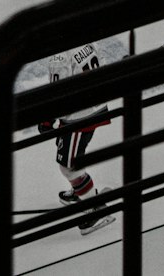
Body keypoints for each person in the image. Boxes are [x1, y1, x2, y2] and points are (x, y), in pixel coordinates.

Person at [40, 44, 114, 236]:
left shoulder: (60, 56)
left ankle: (94, 209)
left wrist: (47, 119)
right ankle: (80, 192)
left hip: (79, 117)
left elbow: (58, 92)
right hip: (95, 107)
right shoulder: (87, 40)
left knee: (68, 166)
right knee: (72, 154)